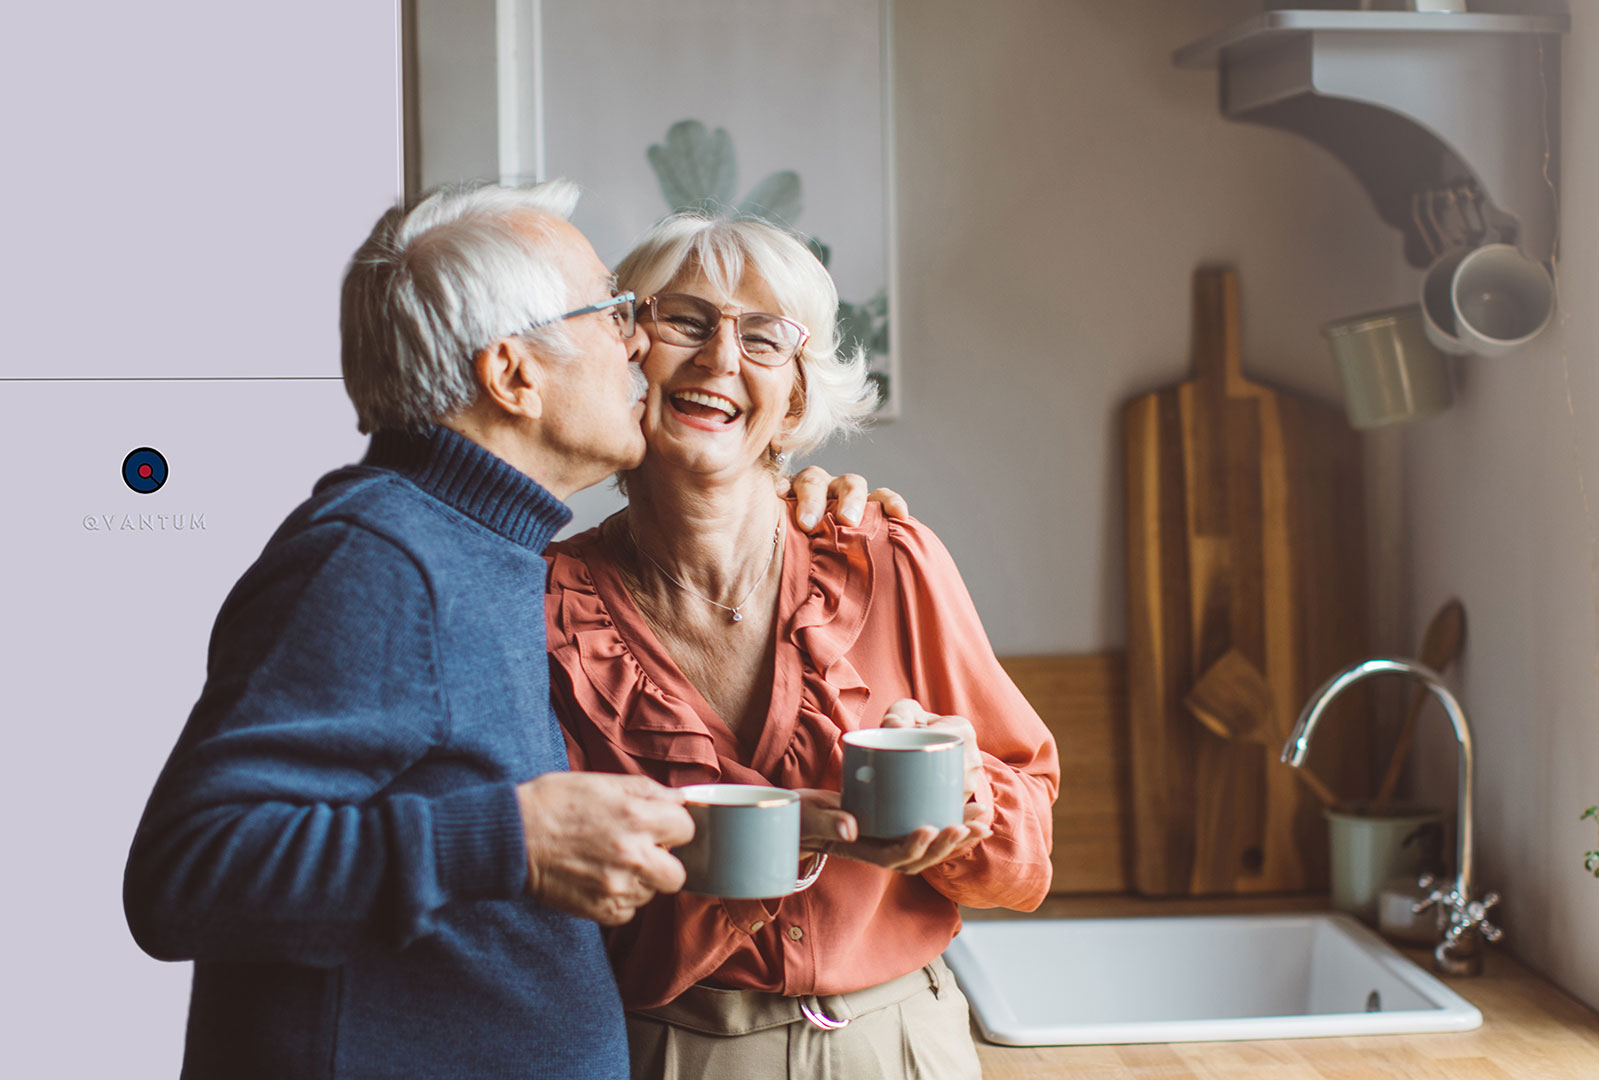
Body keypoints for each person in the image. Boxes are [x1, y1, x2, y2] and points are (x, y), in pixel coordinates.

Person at [122, 180, 888, 1080]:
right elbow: (185, 876)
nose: (640, 339)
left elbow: (450, 802)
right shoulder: (378, 560)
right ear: (513, 374)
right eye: (611, 311)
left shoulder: (484, 546)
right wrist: (511, 842)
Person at [546, 211, 1059, 1079]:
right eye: (686, 321)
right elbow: (547, 911)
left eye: (764, 338)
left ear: (794, 401)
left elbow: (1029, 861)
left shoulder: (889, 556)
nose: (719, 360)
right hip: (669, 1050)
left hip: (900, 1043)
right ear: (627, 357)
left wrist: (969, 804)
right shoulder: (545, 608)